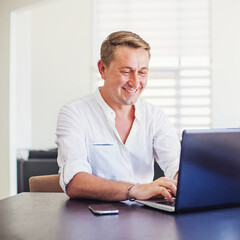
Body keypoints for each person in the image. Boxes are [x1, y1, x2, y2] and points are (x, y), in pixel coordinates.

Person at [56, 31, 180, 203]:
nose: (135, 82)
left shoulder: (154, 115)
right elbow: (74, 181)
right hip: (92, 219)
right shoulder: (74, 113)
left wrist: (183, 179)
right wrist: (135, 190)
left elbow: (176, 165)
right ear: (102, 69)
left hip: (145, 218)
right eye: (126, 71)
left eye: (142, 72)